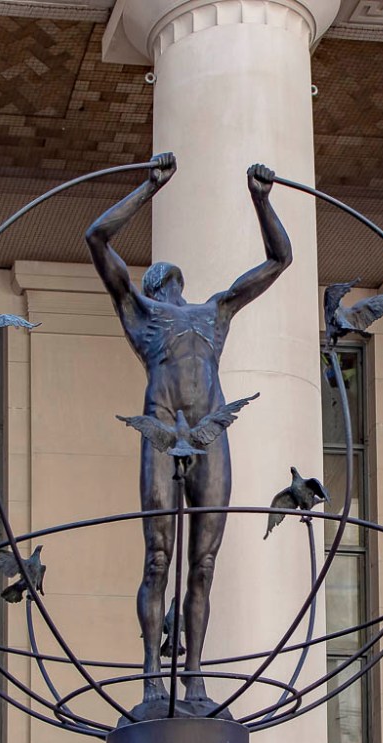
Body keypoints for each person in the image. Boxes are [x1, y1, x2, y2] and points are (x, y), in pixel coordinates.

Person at [85, 153, 292, 708]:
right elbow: (97, 238)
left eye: (164, 276)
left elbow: (280, 259)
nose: (162, 278)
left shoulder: (215, 311)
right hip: (161, 431)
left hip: (208, 434)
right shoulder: (140, 312)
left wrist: (262, 197)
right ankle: (154, 675)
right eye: (158, 276)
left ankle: (194, 678)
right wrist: (150, 187)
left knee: (202, 563)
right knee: (158, 556)